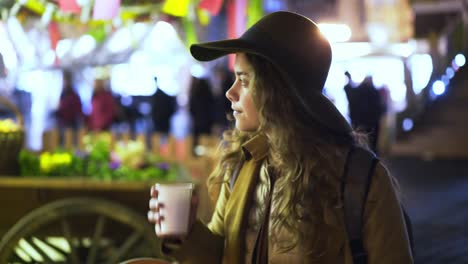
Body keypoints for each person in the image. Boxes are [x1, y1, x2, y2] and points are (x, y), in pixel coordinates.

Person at [148, 11, 413, 263]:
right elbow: (223, 255)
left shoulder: (361, 178)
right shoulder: (242, 164)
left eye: (244, 80)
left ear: (278, 90)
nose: (230, 92)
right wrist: (185, 234)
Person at [345, 75, 384, 153]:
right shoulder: (374, 91)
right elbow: (379, 107)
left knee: (358, 143)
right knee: (372, 144)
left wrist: (349, 80)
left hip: (360, 122)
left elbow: (349, 92)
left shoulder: (358, 91)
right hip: (372, 122)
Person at [188, 76, 215, 152]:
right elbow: (212, 109)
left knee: (197, 142)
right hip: (207, 123)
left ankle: (197, 156)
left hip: (197, 123)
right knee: (206, 143)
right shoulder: (209, 96)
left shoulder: (194, 95)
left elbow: (191, 110)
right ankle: (204, 157)